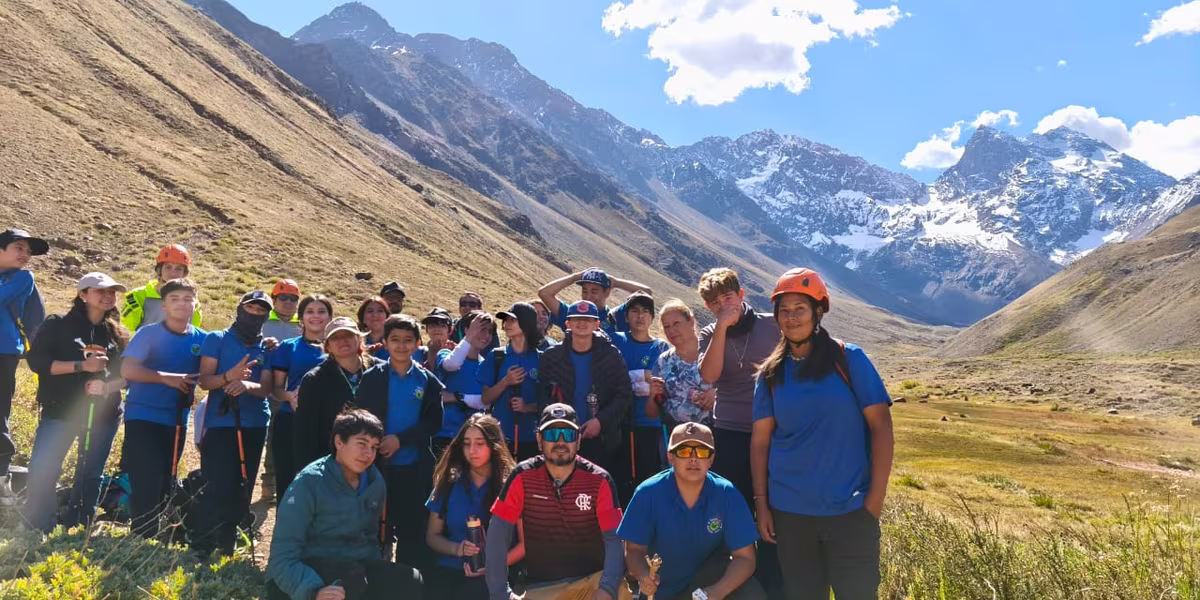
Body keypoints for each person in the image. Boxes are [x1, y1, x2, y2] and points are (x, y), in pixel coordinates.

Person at [750, 268, 894, 600]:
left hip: (850, 512)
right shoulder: (770, 374)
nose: (791, 317)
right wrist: (763, 504)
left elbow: (882, 429)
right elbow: (760, 443)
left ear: (819, 311)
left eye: (799, 308)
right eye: (783, 310)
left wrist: (874, 502)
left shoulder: (849, 359)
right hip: (791, 514)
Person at [267, 409, 424, 600]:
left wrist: (377, 578)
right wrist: (313, 591)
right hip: (307, 571)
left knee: (410, 579)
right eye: (361, 444)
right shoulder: (309, 482)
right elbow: (282, 556)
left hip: (355, 566)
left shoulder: (375, 482)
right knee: (352, 580)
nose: (368, 454)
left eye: (374, 447)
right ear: (339, 441)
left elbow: (370, 538)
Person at [485, 403, 630, 600]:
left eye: (568, 435)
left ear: (578, 440)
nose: (560, 442)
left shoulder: (599, 480)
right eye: (552, 435)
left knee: (620, 592)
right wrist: (500, 593)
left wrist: (608, 588)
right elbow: (497, 533)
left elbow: (614, 539)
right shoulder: (522, 476)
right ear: (539, 440)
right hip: (542, 587)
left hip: (591, 582)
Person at [694, 268, 782, 590]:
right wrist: (721, 328)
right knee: (733, 510)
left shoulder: (770, 325)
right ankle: (735, 584)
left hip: (773, 432)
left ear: (741, 295)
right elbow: (710, 376)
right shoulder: (708, 333)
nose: (723, 306)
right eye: (715, 303)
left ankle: (774, 585)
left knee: (772, 509)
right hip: (730, 432)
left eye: (727, 298)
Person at [23, 272, 128, 531]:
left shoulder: (116, 334)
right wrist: (82, 365)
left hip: (104, 414)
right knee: (43, 469)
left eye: (112, 292)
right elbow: (37, 363)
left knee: (90, 474)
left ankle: (78, 530)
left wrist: (106, 386)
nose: (108, 296)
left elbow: (127, 376)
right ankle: (37, 529)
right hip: (60, 411)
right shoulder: (57, 324)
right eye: (100, 291)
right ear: (82, 295)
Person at [620, 422, 764, 600]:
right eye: (684, 452)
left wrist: (715, 593)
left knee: (751, 593)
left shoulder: (727, 493)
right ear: (670, 457)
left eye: (702, 452)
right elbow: (633, 550)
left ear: (711, 459)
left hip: (707, 584)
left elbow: (745, 558)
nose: (693, 459)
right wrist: (644, 576)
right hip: (661, 590)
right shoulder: (647, 493)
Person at [119, 278, 209, 538]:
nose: (181, 304)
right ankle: (141, 535)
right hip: (143, 414)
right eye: (174, 299)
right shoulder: (148, 333)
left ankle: (157, 532)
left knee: (165, 477)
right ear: (164, 305)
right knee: (144, 475)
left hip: (177, 418)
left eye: (187, 298)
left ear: (196, 304)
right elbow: (128, 369)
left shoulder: (203, 339)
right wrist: (166, 378)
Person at [356, 314, 444, 572]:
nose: (402, 346)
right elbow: (360, 416)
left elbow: (433, 423)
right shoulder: (372, 378)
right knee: (375, 525)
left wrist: (400, 440)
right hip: (376, 465)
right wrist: (377, 443)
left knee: (412, 527)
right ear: (384, 342)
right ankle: (375, 577)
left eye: (408, 340)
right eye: (395, 340)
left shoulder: (428, 381)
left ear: (418, 343)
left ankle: (409, 579)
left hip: (413, 467)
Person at [193, 291, 276, 558]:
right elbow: (205, 381)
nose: (254, 314)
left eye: (261, 310)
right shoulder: (216, 339)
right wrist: (229, 377)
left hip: (255, 423)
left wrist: (246, 384)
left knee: (244, 485)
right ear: (240, 309)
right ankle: (202, 545)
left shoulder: (268, 348)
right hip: (220, 421)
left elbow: (265, 388)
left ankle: (228, 546)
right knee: (216, 483)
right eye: (250, 307)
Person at [537, 301, 632, 497]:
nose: (582, 323)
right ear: (567, 324)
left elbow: (624, 395)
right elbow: (542, 396)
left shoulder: (611, 355)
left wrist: (601, 421)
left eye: (588, 319)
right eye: (576, 319)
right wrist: (556, 424)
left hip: (602, 439)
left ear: (597, 324)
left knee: (598, 493)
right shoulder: (551, 357)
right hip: (561, 438)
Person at [425, 414, 523, 598]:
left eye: (480, 443)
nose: (472, 450)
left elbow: (524, 545)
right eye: (467, 443)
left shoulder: (511, 485)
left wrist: (493, 565)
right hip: (450, 570)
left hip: (496, 572)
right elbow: (432, 536)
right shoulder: (449, 482)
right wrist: (456, 548)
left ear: (493, 445)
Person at [293, 316, 382, 472]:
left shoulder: (380, 371)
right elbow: (306, 434)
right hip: (332, 464)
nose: (343, 341)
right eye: (335, 338)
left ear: (359, 339)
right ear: (327, 347)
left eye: (348, 335)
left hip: (375, 460)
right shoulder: (315, 379)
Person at [0, 228, 48, 505]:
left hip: (3, 351)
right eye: (19, 248)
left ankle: (2, 480)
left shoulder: (22, 277)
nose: (26, 256)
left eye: (28, 252)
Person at [271, 294, 333, 496]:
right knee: (287, 481)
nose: (316, 316)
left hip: (326, 424)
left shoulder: (338, 347)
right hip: (290, 420)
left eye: (322, 311)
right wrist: (290, 397)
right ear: (302, 317)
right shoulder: (288, 346)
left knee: (319, 483)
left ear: (330, 317)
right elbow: (276, 389)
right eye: (310, 311)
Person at [610, 292, 670, 491]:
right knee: (618, 475)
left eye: (646, 312)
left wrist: (631, 377)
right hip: (617, 422)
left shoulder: (660, 346)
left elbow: (655, 384)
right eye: (634, 311)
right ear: (626, 317)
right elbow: (613, 378)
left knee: (648, 475)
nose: (640, 316)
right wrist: (640, 375)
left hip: (649, 422)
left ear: (652, 318)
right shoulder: (615, 340)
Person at [480, 303, 542, 461]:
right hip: (500, 437)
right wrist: (506, 381)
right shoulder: (497, 356)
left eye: (512, 320)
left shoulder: (542, 358)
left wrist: (526, 407)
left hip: (534, 438)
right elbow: (486, 398)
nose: (506, 325)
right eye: (505, 320)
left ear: (526, 322)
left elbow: (550, 401)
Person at [260, 279, 302, 503]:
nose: (288, 303)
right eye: (283, 298)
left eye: (293, 299)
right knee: (273, 437)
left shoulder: (303, 323)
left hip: (296, 391)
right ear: (274, 299)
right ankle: (269, 484)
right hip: (270, 389)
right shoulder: (264, 321)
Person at [433, 310, 494, 462]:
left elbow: (485, 401)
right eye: (481, 328)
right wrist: (469, 336)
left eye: (490, 331)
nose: (486, 335)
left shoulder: (487, 365)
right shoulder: (446, 353)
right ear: (466, 330)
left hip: (474, 440)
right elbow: (452, 365)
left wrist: (458, 397)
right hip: (445, 435)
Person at [649, 300, 713, 434]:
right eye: (666, 326)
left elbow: (740, 387)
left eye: (676, 323)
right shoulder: (662, 362)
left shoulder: (713, 352)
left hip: (714, 433)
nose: (672, 330)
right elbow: (652, 413)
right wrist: (653, 395)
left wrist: (717, 395)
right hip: (677, 437)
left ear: (691, 321)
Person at [537, 268, 652, 337]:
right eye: (585, 291)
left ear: (606, 292)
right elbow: (544, 293)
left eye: (594, 291)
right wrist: (574, 277)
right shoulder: (572, 314)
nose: (588, 296)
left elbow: (646, 293)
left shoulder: (617, 316)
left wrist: (616, 282)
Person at [120, 244, 203, 332]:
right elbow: (127, 332)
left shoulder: (192, 301)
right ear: (159, 269)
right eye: (168, 267)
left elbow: (192, 332)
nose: (173, 273)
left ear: (184, 273)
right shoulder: (137, 296)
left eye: (178, 269)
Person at [417, 307, 455, 372]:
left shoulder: (457, 353)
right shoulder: (417, 352)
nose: (437, 329)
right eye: (432, 326)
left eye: (442, 325)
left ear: (450, 330)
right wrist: (432, 353)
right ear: (426, 330)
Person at [358, 295, 391, 362]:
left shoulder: (395, 340)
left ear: (387, 317)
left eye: (380, 311)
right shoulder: (357, 342)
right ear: (363, 318)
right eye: (370, 311)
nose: (375, 315)